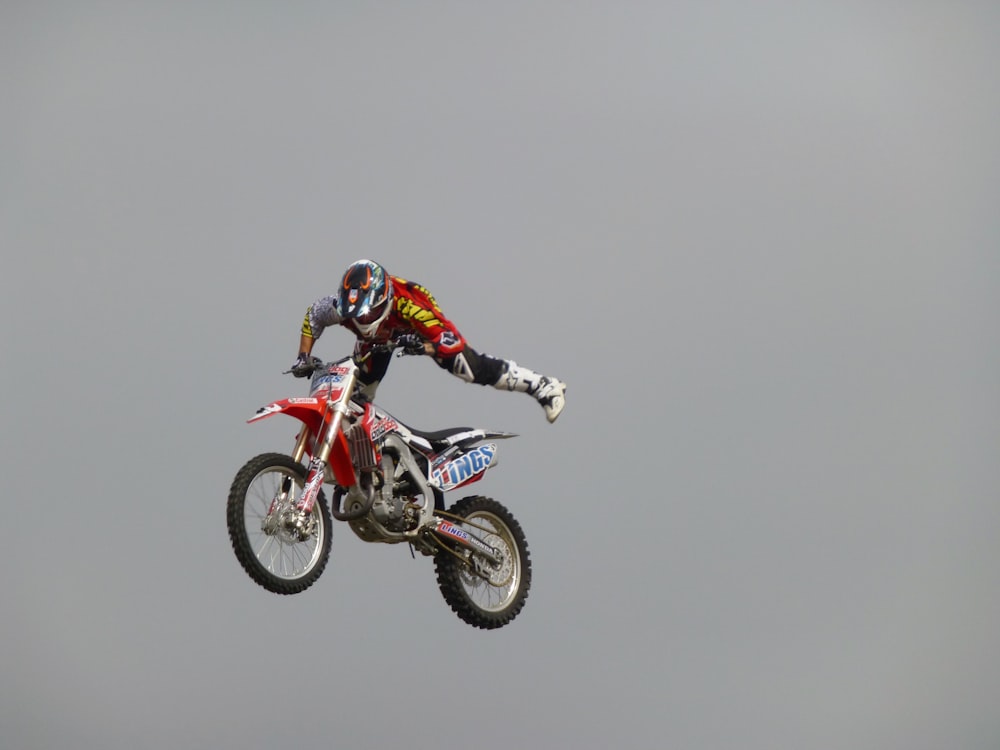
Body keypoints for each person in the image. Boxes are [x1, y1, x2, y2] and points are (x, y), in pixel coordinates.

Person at [290, 259, 567, 423]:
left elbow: (452, 342)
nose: (363, 320)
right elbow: (313, 316)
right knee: (357, 392)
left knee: (467, 367)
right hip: (380, 340)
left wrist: (425, 346)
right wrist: (303, 356)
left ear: (384, 301)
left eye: (371, 312)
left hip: (417, 329)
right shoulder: (340, 306)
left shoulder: (412, 308)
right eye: (356, 316)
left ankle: (542, 385)